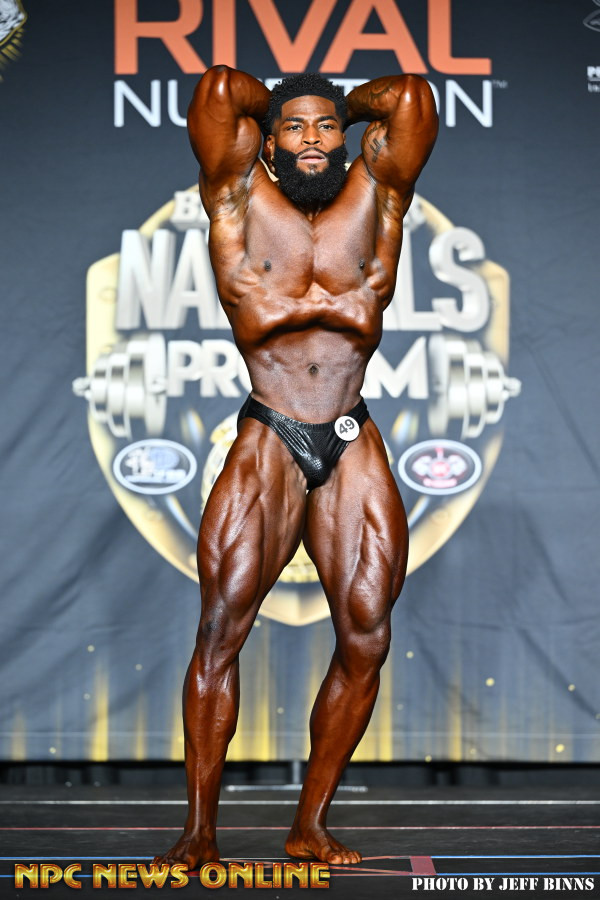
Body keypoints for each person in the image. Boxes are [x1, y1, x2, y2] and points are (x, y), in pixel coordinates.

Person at [155, 66, 438, 869]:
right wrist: (286, 104)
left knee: (367, 636)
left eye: (327, 128)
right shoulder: (238, 195)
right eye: (295, 127)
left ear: (348, 138)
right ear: (269, 143)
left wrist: (335, 107)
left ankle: (309, 824)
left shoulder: (378, 195)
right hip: (270, 430)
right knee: (220, 630)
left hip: (350, 430)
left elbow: (411, 96)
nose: (314, 138)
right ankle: (199, 831)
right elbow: (219, 89)